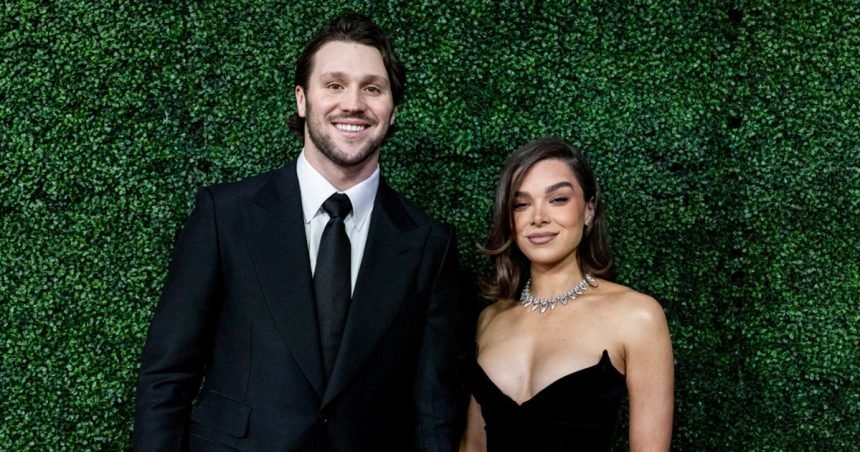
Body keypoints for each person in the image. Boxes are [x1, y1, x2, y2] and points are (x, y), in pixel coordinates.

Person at [134, 12, 463, 451]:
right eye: (334, 85)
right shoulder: (225, 216)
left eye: (372, 88)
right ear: (302, 99)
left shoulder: (428, 244)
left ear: (393, 109)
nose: (353, 103)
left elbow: (434, 409)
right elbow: (167, 376)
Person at [461, 138, 674, 452]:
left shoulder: (636, 316)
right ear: (509, 219)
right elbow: (473, 445)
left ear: (589, 210)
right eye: (521, 204)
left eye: (558, 199)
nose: (538, 217)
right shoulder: (490, 319)